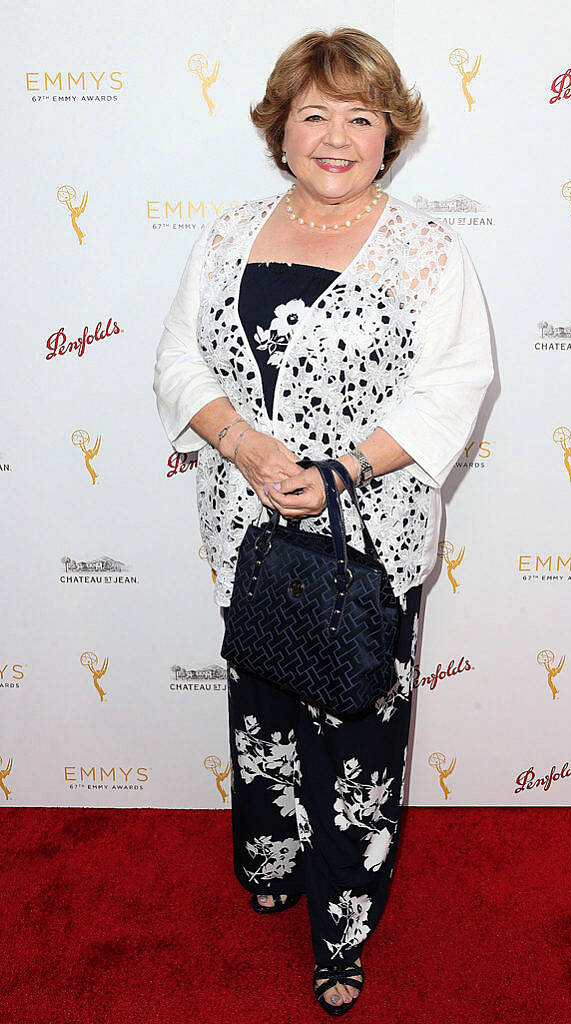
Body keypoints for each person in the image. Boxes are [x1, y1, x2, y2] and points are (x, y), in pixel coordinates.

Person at [153, 27, 494, 1016]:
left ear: (391, 134)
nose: (336, 136)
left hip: (366, 533)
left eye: (360, 116)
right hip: (246, 525)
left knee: (355, 736)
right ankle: (270, 857)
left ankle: (342, 929)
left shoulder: (429, 254)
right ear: (279, 129)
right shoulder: (223, 236)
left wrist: (340, 469)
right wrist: (247, 448)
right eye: (315, 113)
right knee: (260, 709)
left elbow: (454, 388)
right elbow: (180, 361)